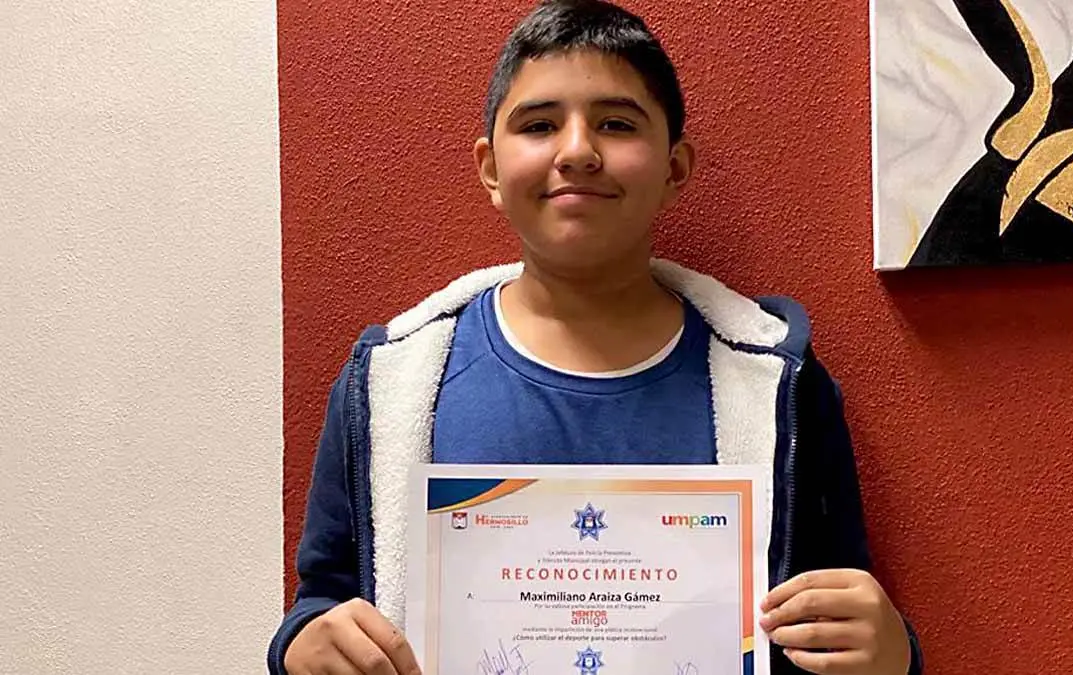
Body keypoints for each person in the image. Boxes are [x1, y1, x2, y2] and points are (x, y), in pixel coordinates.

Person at [268, 1, 923, 674]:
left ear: (674, 169)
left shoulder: (780, 387)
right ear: (490, 169)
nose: (577, 151)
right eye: (539, 125)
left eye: (616, 123)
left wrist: (893, 653)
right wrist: (301, 646)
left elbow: (840, 612)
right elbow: (322, 596)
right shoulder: (390, 383)